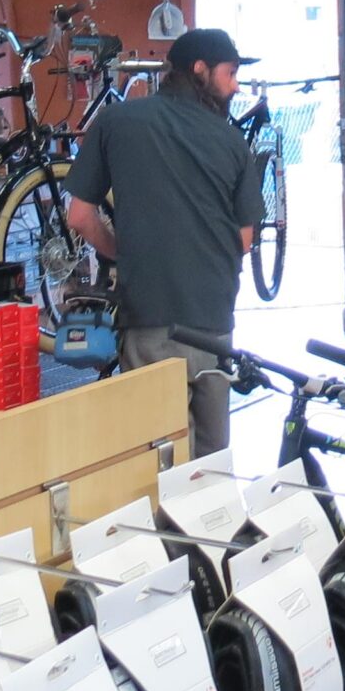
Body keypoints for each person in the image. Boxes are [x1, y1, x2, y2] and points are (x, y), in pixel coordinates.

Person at [63, 27, 264, 456]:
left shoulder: (116, 121)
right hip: (213, 324)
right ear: (199, 70)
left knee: (155, 464)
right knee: (210, 467)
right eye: (230, 73)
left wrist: (123, 253)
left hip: (147, 318)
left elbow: (80, 217)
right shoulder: (232, 141)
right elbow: (244, 239)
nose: (235, 85)